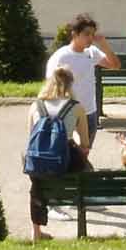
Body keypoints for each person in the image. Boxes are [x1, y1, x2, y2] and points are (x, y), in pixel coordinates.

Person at [24, 66, 91, 241]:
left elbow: (32, 137)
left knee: (36, 186)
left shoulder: (35, 106)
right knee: (84, 165)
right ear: (70, 85)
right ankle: (80, 221)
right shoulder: (76, 108)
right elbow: (85, 144)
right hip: (66, 164)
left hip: (39, 166)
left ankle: (36, 232)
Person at [46, 14, 118, 152]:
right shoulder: (61, 56)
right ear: (75, 34)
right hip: (67, 111)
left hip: (90, 112)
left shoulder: (92, 52)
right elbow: (50, 84)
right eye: (86, 34)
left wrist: (104, 45)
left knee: (85, 152)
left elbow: (115, 65)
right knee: (64, 152)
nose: (91, 38)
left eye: (92, 34)